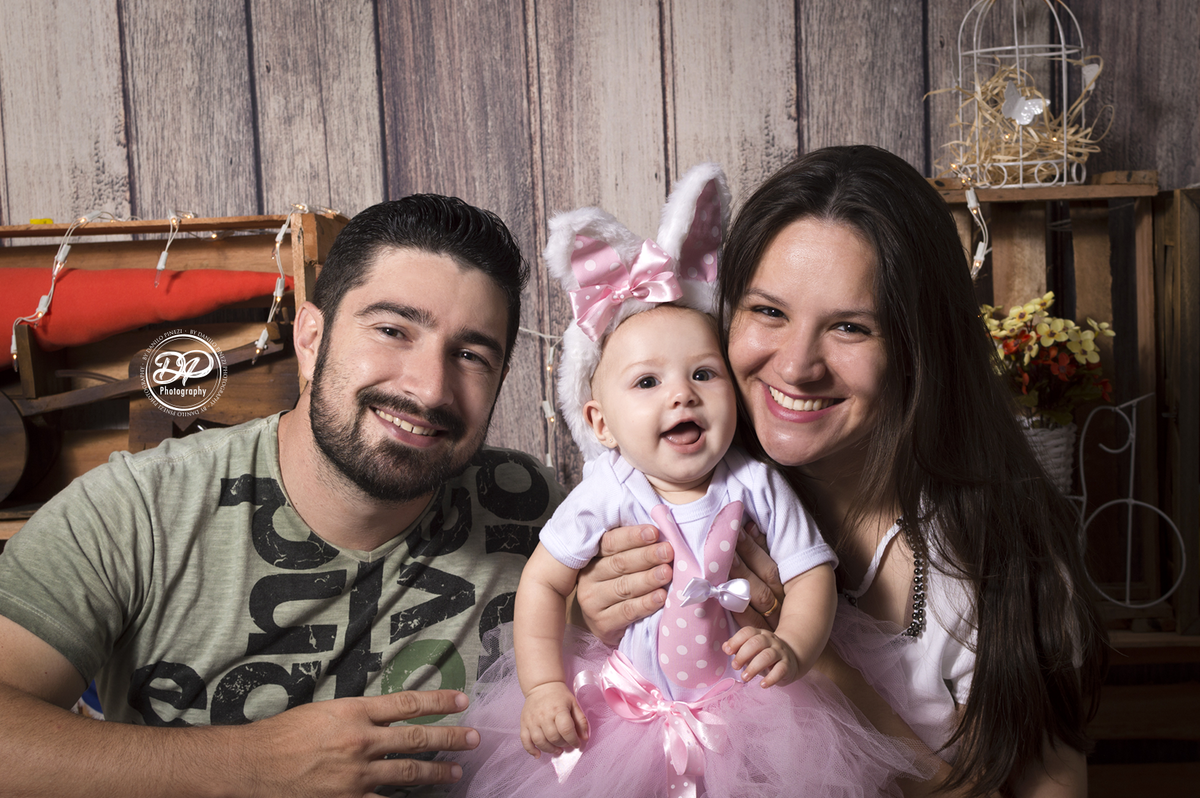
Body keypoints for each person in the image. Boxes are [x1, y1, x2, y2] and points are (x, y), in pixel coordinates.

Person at [0, 194, 575, 796]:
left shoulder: (531, 506)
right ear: (310, 338)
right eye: (391, 330)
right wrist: (246, 764)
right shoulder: (133, 512)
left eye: (470, 356)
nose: (430, 389)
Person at [583, 145, 1107, 797]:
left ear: (918, 346)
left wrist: (824, 668)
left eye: (851, 328)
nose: (797, 365)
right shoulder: (672, 484)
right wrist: (597, 616)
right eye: (768, 311)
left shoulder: (1000, 556)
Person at [443, 164, 930, 797]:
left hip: (748, 708)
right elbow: (542, 583)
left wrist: (794, 647)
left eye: (704, 374)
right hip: (628, 706)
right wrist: (544, 687)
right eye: (648, 383)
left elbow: (811, 575)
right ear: (600, 422)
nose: (682, 397)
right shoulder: (608, 491)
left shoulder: (755, 481)